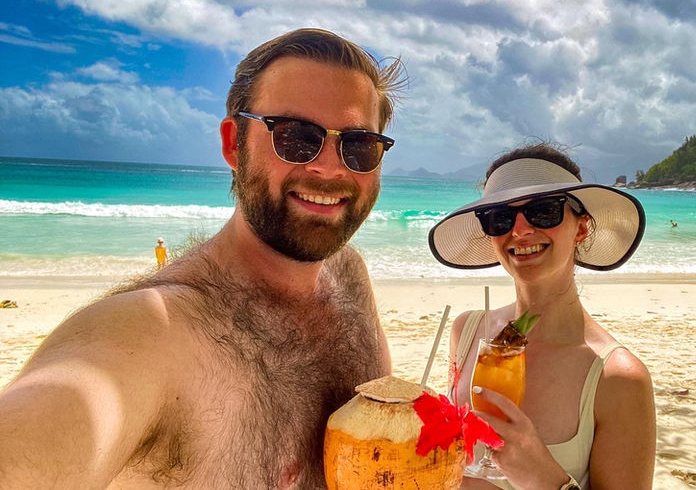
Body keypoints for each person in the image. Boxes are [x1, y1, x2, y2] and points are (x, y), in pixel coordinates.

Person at [0, 28, 403, 488]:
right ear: (234, 144)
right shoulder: (151, 333)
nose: (329, 167)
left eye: (358, 145)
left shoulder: (350, 274)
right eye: (294, 137)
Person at [429, 143, 656, 489]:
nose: (519, 230)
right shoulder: (467, 330)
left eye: (544, 211)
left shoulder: (618, 379)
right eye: (500, 218)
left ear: (581, 228)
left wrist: (544, 477)